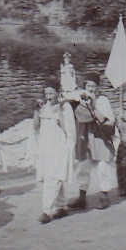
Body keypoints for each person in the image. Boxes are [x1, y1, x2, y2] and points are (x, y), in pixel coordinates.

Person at [28, 78, 77, 224]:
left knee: (53, 177)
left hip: (60, 146)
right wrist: (37, 110)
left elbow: (66, 128)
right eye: (46, 93)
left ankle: (46, 210)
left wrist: (60, 110)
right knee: (52, 176)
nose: (48, 96)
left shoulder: (65, 106)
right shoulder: (42, 106)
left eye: (51, 93)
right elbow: (35, 126)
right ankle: (61, 206)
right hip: (46, 147)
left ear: (57, 92)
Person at [68, 72, 119, 211]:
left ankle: (104, 195)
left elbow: (103, 119)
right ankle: (81, 196)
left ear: (97, 88)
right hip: (86, 135)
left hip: (99, 135)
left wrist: (92, 105)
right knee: (83, 165)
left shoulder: (102, 100)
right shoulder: (79, 99)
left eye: (93, 86)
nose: (90, 89)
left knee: (103, 166)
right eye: (88, 86)